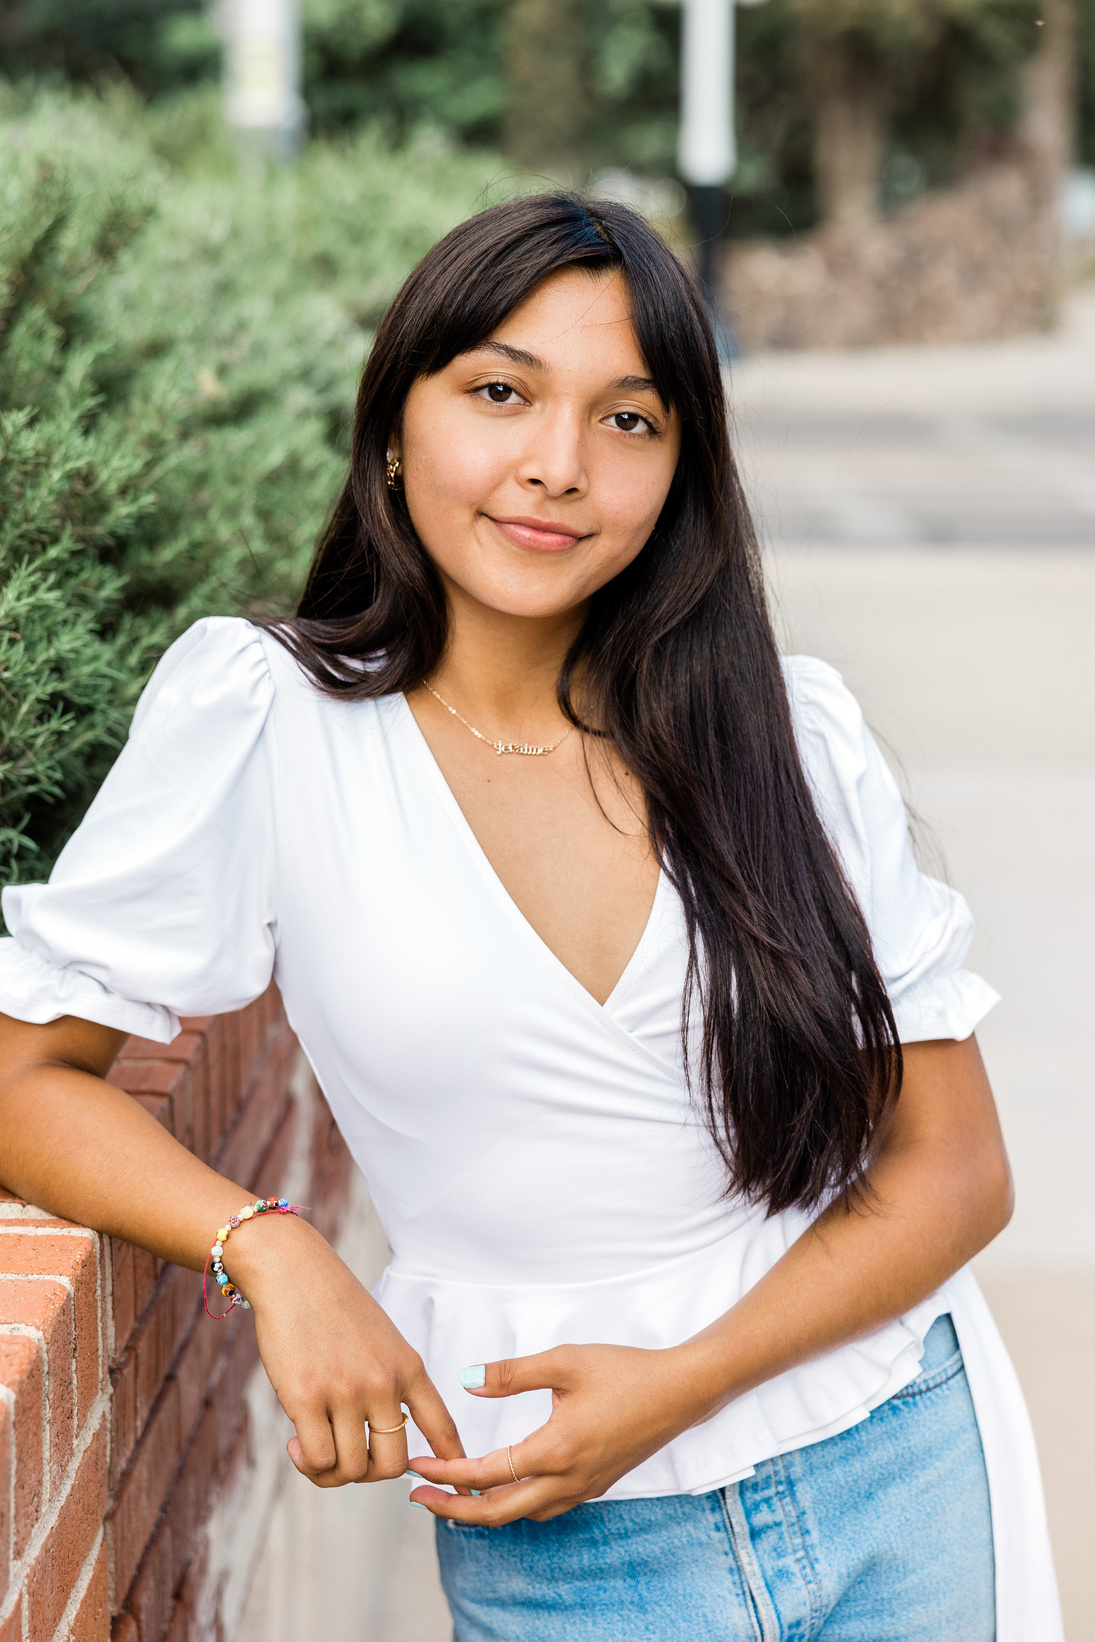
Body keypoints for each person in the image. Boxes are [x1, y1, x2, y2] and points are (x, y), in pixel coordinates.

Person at [0, 195, 1061, 1641]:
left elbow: (957, 1169)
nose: (557, 467)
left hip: (902, 1468)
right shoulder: (268, 722)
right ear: (395, 421)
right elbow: (23, 1078)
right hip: (575, 1555)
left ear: (682, 472)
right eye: (501, 392)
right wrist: (272, 1243)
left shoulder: (786, 736)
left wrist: (679, 1380)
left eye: (630, 421)